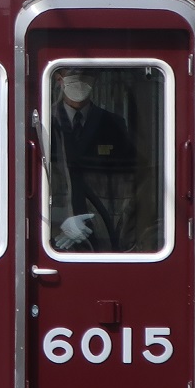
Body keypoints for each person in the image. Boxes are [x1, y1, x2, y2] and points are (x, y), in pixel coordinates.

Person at [49, 67, 140, 250]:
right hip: (56, 234)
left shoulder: (113, 124)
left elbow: (128, 182)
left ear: (95, 79)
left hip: (103, 229)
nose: (80, 80)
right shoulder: (45, 122)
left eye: (86, 75)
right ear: (59, 80)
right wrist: (57, 218)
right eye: (73, 74)